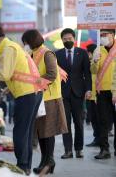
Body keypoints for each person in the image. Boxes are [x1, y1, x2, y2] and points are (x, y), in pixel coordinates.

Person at [0, 25, 43, 175]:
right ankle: (25, 166)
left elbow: (4, 74)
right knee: (26, 132)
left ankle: (22, 166)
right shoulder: (12, 46)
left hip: (27, 94)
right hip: (32, 91)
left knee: (20, 132)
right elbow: (16, 73)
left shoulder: (8, 49)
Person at [22, 29, 68, 175]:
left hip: (50, 97)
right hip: (40, 98)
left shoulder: (47, 53)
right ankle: (45, 161)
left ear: (31, 41)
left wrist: (34, 82)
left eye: (26, 42)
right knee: (41, 131)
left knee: (48, 132)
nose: (25, 45)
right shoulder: (32, 54)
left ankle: (49, 160)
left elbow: (52, 74)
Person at [55, 28, 92, 159]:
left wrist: (88, 89)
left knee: (79, 122)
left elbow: (87, 74)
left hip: (78, 93)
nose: (67, 41)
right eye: (65, 39)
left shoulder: (81, 53)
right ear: (62, 40)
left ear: (74, 39)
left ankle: (79, 149)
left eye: (70, 39)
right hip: (62, 94)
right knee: (66, 123)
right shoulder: (57, 54)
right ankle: (68, 150)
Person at [92, 29, 116, 159]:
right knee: (103, 122)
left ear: (112, 35)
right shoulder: (98, 50)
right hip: (102, 91)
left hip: (115, 91)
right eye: (101, 35)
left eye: (105, 35)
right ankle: (104, 149)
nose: (103, 37)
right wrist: (95, 61)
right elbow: (93, 71)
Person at [85, 44, 100, 147]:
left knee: (98, 119)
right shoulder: (88, 63)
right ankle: (97, 138)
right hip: (90, 95)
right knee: (93, 118)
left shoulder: (97, 63)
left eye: (88, 52)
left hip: (98, 96)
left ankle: (100, 139)